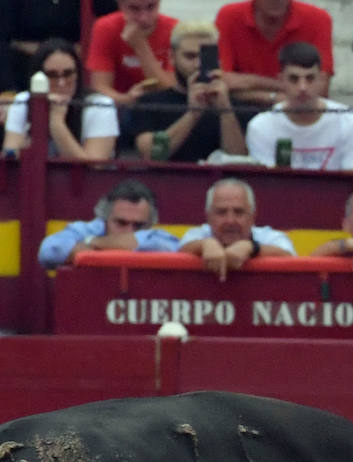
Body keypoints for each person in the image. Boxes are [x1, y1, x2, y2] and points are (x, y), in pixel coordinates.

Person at [129, 21, 249, 163]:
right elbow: (152, 154)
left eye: (205, 57)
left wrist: (225, 112)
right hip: (166, 181)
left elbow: (239, 162)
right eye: (190, 56)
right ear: (172, 58)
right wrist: (193, 113)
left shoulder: (232, 106)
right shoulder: (150, 103)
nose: (198, 64)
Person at [245, 42, 353, 171]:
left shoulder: (350, 121)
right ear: (281, 80)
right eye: (294, 79)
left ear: (321, 79)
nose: (302, 87)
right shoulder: (261, 126)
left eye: (310, 78)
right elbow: (268, 184)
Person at [2, 38, 118, 161]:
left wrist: (57, 122)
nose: (61, 83)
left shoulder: (100, 105)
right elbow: (11, 157)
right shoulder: (22, 101)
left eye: (68, 74)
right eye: (52, 75)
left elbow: (93, 167)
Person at [37, 179, 179, 269]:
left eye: (138, 226)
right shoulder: (85, 230)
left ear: (149, 223)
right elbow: (48, 251)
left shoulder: (156, 236)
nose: (129, 231)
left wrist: (92, 243)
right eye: (121, 223)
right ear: (104, 217)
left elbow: (174, 248)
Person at [215, 0, 334, 106]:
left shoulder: (317, 19)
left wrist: (249, 83)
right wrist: (281, 93)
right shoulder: (229, 15)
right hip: (242, 109)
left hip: (298, 111)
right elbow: (220, 81)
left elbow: (321, 89)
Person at [180, 178, 296, 281]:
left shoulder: (271, 237)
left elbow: (291, 260)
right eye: (221, 212)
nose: (230, 220)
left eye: (239, 212)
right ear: (208, 217)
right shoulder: (196, 235)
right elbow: (181, 250)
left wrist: (252, 248)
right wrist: (204, 245)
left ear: (252, 217)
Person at [1, 1, 118, 93]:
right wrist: (8, 91)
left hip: (76, 73)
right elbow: (5, 41)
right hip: (22, 73)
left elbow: (111, 17)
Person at [85, 0, 177, 108]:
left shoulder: (173, 29)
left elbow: (172, 92)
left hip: (161, 108)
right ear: (121, 6)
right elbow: (99, 87)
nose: (144, 18)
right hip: (118, 107)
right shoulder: (106, 27)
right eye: (134, 9)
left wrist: (140, 46)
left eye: (151, 7)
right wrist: (127, 100)